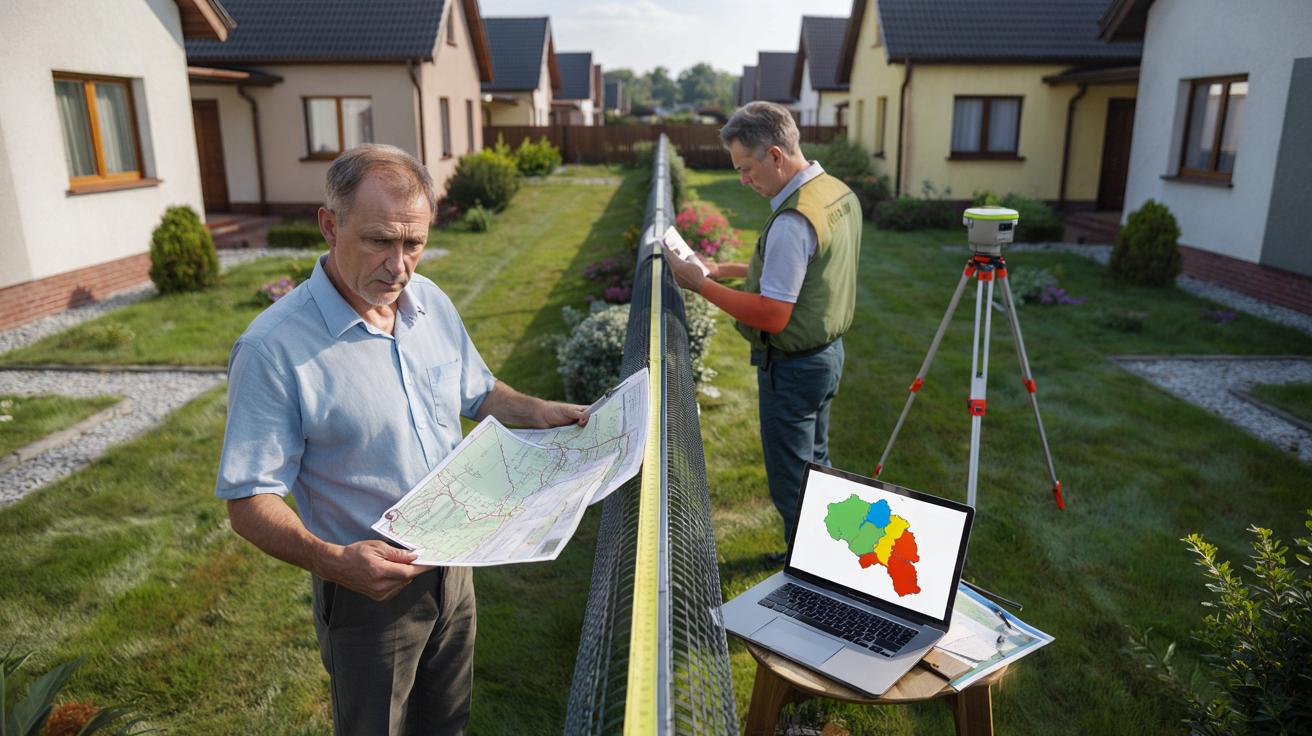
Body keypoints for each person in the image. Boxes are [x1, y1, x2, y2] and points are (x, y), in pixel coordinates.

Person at [215, 143, 588, 735]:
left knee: (447, 724)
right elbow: (249, 499)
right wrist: (335, 562)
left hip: (457, 563)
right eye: (379, 241)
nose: (400, 265)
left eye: (413, 243)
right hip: (369, 593)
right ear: (329, 226)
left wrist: (539, 410)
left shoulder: (430, 303)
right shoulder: (272, 349)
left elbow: (478, 390)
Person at [662, 102, 861, 562]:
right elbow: (803, 271)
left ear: (775, 155)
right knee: (818, 466)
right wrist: (724, 267)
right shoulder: (834, 192)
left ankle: (811, 571)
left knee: (793, 482)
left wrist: (702, 284)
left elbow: (773, 314)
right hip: (828, 354)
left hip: (793, 368)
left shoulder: (793, 220)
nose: (743, 181)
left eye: (746, 169)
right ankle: (829, 556)